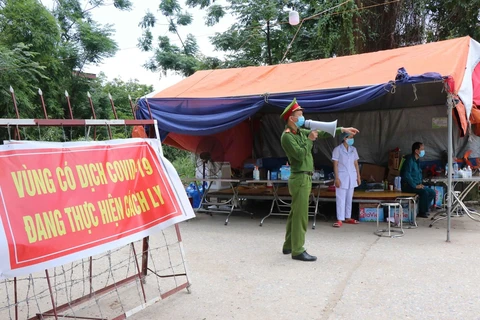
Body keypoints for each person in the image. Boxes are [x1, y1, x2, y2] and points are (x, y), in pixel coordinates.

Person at [280, 98, 359, 262]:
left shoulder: (299, 132)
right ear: (291, 118)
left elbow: (322, 133)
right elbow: (300, 155)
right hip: (300, 177)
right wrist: (309, 139)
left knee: (295, 212)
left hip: (304, 177)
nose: (303, 118)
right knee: (301, 215)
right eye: (300, 115)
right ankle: (298, 250)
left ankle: (288, 245)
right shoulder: (287, 137)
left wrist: (341, 129)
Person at [332, 132, 361, 227]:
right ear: (345, 138)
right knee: (341, 198)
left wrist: (358, 176)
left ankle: (348, 217)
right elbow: (335, 164)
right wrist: (336, 178)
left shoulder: (353, 149)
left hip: (352, 177)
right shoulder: (337, 150)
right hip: (341, 177)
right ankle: (340, 219)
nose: (352, 139)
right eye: (350, 137)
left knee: (349, 198)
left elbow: (356, 164)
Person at [400, 142, 436, 218]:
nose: (423, 151)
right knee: (424, 192)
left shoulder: (417, 161)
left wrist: (420, 184)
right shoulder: (409, 160)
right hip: (408, 186)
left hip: (416, 185)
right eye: (422, 149)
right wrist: (415, 185)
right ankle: (422, 212)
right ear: (416, 151)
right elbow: (406, 175)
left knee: (432, 192)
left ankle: (423, 208)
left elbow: (417, 174)